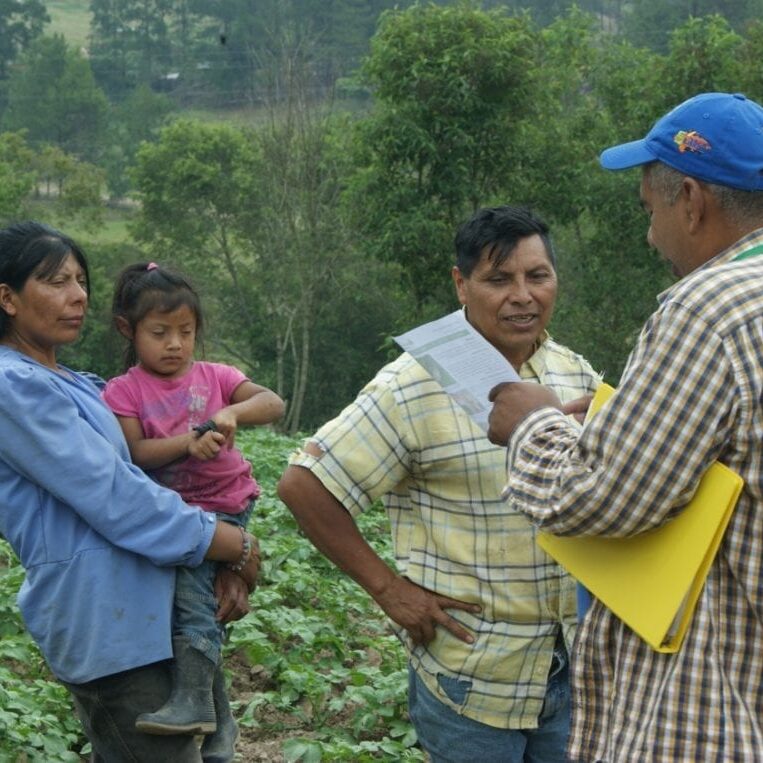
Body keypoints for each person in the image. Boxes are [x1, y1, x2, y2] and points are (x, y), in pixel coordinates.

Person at [487, 92, 763, 761]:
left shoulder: (710, 307)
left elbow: (603, 496)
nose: (649, 234)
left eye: (650, 210)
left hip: (709, 702)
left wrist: (534, 425)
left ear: (691, 200)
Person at [278, 205, 601, 762]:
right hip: (471, 679)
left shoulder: (574, 373)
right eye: (499, 279)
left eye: (537, 276)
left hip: (571, 671)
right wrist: (389, 590)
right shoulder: (414, 385)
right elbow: (304, 485)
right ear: (461, 284)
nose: (522, 296)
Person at [0, 221, 260, 763]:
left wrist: (222, 565)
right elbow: (115, 494)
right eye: (55, 281)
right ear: (8, 298)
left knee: (208, 750)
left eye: (79, 279)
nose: (77, 295)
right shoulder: (12, 385)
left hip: (154, 609)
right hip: (107, 625)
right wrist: (227, 542)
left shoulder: (76, 382)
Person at [102, 262, 284, 738]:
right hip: (177, 515)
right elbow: (137, 453)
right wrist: (187, 442)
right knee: (198, 603)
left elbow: (272, 402)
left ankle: (194, 702)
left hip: (224, 506)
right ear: (129, 329)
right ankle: (215, 726)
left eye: (186, 331)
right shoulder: (124, 391)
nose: (175, 344)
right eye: (160, 333)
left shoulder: (215, 376)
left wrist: (232, 412)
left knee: (191, 601)